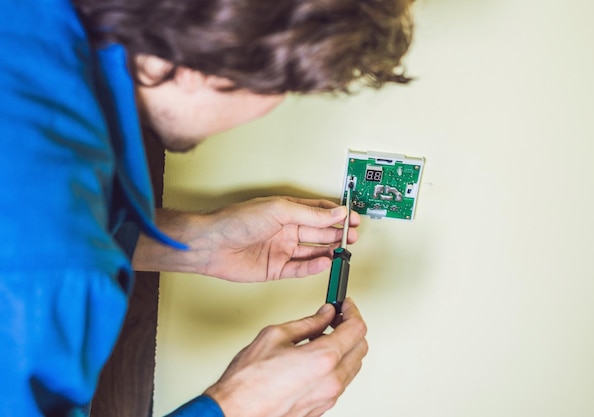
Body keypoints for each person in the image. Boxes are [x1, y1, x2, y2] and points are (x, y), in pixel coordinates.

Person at [0, 0, 415, 416]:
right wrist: (235, 406)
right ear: (226, 41)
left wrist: (197, 244)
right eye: (283, 86)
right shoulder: (53, 264)